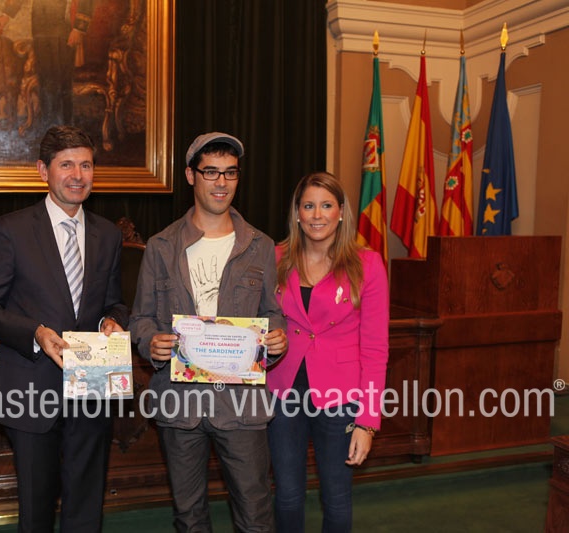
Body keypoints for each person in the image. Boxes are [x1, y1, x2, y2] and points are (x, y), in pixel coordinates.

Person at [0, 125, 128, 532]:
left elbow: (114, 302)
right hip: (31, 388)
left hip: (92, 389)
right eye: (66, 164)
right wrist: (35, 332)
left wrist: (113, 320)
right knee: (36, 511)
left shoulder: (108, 234)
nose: (78, 175)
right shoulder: (12, 229)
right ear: (43, 170)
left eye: (86, 165)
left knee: (85, 509)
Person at [130, 132, 288, 532]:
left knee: (255, 512)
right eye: (211, 172)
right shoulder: (161, 246)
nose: (222, 182)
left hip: (241, 405)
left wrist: (277, 337)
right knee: (189, 514)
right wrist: (150, 342)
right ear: (191, 176)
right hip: (179, 402)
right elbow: (140, 319)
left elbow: (272, 313)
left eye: (230, 173)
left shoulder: (260, 245)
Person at [267, 171, 389, 532]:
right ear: (297, 213)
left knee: (336, 497)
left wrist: (367, 422)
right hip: (283, 391)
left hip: (341, 396)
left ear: (341, 212)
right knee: (287, 495)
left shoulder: (368, 265)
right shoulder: (274, 257)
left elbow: (376, 348)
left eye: (326, 205)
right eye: (308, 206)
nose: (317, 215)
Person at [0, 0, 93, 129]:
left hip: (64, 28)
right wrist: (6, 14)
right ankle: (48, 129)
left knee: (62, 85)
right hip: (40, 28)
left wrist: (79, 28)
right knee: (45, 83)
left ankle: (65, 130)